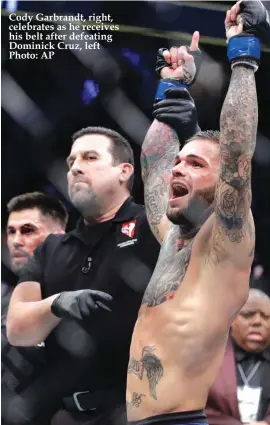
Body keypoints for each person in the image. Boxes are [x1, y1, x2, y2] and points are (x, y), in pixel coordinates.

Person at [126, 1, 270, 424]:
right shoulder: (171, 239)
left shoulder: (225, 240)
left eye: (195, 164)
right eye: (180, 162)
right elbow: (154, 164)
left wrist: (243, 55)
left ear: (221, 182)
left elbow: (239, 151)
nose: (178, 168)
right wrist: (171, 88)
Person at [6, 127, 162, 425]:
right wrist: (57, 303)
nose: (75, 167)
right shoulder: (51, 248)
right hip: (66, 413)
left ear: (124, 171)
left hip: (142, 406)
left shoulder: (152, 226)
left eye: (90, 157)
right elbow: (17, 328)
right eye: (70, 162)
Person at [2, 192, 68, 425]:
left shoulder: (84, 293)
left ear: (58, 237)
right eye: (11, 231)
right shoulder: (3, 301)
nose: (15, 241)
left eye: (27, 230)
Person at [206, 289, 270, 425]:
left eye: (266, 317)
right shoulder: (208, 357)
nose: (257, 322)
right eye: (248, 315)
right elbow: (194, 410)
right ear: (231, 320)